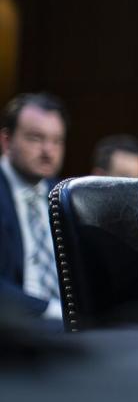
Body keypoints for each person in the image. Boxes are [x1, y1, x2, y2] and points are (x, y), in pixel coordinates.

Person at [0, 92, 68, 319]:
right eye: (36, 138)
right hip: (14, 325)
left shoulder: (67, 195)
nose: (49, 151)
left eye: (57, 141)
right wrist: (50, 311)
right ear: (6, 141)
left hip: (69, 326)